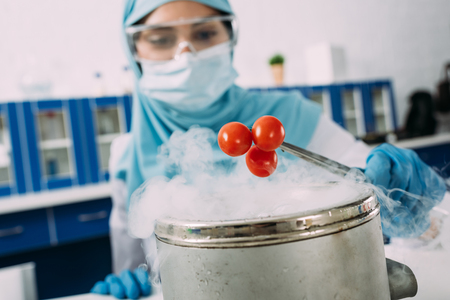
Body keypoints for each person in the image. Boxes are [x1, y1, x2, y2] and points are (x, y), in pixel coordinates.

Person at [91, 0, 448, 298]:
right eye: (160, 39)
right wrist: (129, 283)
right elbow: (130, 266)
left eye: (203, 33)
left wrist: (413, 209)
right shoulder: (126, 154)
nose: (186, 55)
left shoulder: (287, 119)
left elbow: (386, 195)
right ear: (134, 49)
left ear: (230, 37)